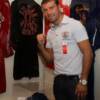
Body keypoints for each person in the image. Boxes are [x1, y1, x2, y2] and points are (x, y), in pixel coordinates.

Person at [37, 0, 93, 100]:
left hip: (76, 82)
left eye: (51, 8)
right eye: (45, 10)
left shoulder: (75, 25)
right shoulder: (50, 32)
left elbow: (88, 53)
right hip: (58, 81)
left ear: (58, 7)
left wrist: (83, 82)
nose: (48, 12)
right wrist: (41, 46)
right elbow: (49, 59)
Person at [10, 0, 43, 80]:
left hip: (20, 44)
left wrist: (13, 41)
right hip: (32, 46)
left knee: (20, 67)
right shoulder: (37, 6)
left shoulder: (15, 4)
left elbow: (12, 25)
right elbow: (39, 30)